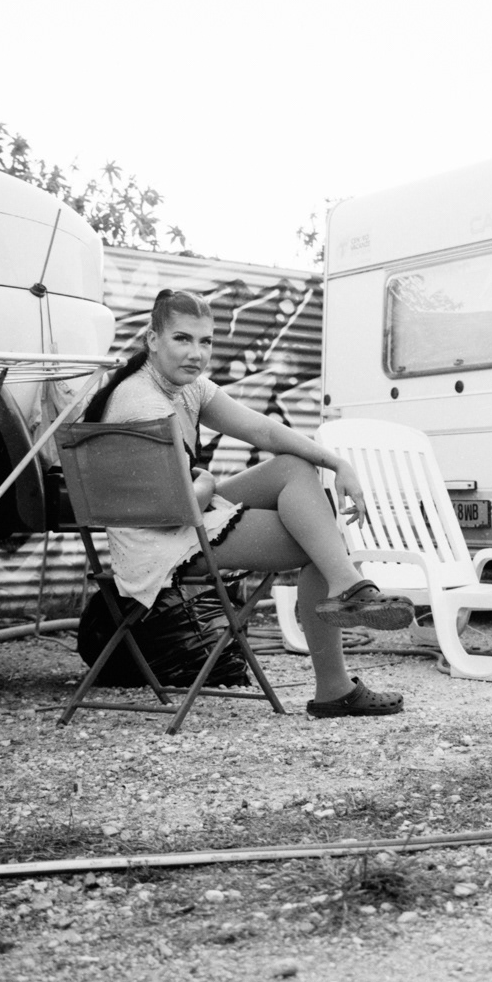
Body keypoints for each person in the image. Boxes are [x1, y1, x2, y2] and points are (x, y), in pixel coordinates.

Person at [85, 288, 412, 717]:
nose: (196, 353)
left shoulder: (187, 387)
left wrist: (337, 463)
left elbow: (265, 432)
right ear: (152, 339)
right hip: (159, 543)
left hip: (185, 516)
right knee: (319, 546)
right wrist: (206, 481)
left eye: (206, 341)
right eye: (182, 339)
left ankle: (346, 587)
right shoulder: (141, 402)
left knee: (293, 467)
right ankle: (336, 680)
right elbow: (174, 508)